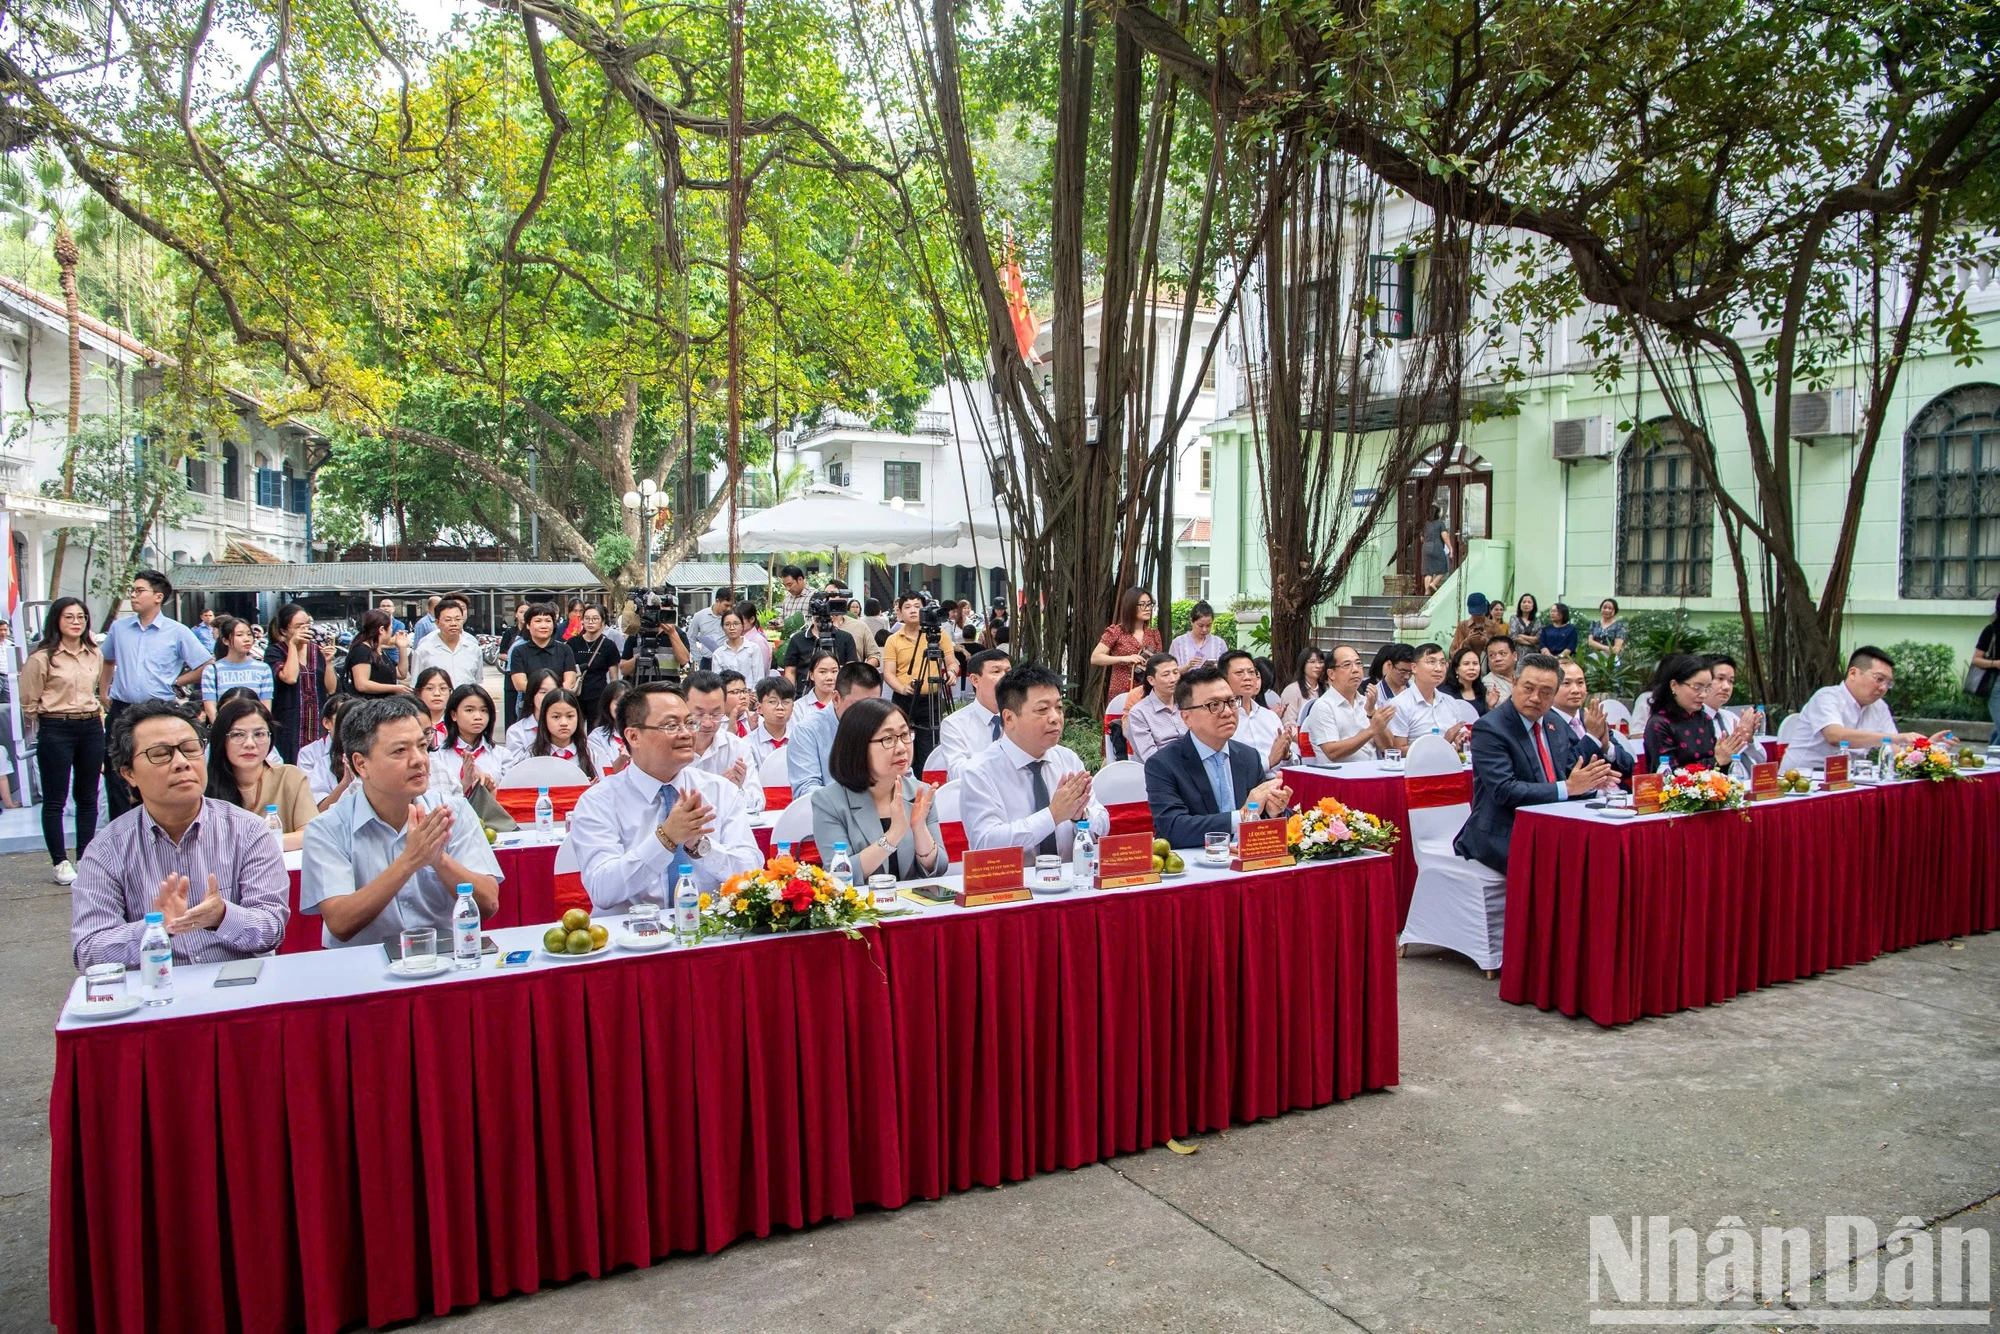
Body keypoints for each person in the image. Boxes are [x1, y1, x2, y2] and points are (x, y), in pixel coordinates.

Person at [70, 700, 291, 967]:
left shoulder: (248, 831)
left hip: (237, 990)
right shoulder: (107, 850)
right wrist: (155, 929)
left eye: (190, 749)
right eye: (161, 753)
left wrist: (222, 916)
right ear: (129, 773)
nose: (181, 763)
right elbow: (89, 951)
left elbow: (272, 929)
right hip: (156, 996)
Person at [299, 696, 501, 949]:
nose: (419, 760)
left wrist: (438, 858)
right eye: (400, 751)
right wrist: (410, 860)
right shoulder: (327, 828)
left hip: (443, 962)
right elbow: (340, 924)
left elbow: (488, 904)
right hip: (363, 972)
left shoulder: (453, 811)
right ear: (361, 764)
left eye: (422, 746)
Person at [565, 682, 762, 908]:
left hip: (708, 930)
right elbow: (602, 890)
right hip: (631, 934)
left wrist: (700, 845)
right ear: (633, 736)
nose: (686, 733)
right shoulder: (598, 802)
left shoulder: (719, 791)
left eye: (689, 723)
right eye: (671, 725)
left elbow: (751, 872)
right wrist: (665, 839)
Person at [1453, 654, 1623, 875]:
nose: (1535, 698)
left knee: (1603, 851)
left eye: (1545, 692)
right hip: (1503, 832)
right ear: (1514, 682)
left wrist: (1592, 781)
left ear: (1554, 695)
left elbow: (1568, 774)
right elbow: (1505, 790)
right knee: (1568, 864)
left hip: (1550, 825)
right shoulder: (1490, 728)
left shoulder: (1555, 724)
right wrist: (1569, 788)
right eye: (1528, 688)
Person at [960, 664, 1108, 858]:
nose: (1055, 718)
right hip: (1012, 884)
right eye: (1042, 709)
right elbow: (986, 843)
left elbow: (1103, 824)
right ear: (1009, 718)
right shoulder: (979, 771)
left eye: (1059, 708)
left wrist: (1081, 816)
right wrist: (1053, 815)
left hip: (1071, 881)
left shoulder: (1067, 759)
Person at [1143, 664, 1295, 849]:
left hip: (1244, 862)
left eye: (1231, 702)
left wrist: (1273, 811)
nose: (1228, 712)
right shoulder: (1163, 764)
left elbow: (1261, 820)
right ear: (1186, 718)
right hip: (1194, 866)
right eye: (1214, 705)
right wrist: (1243, 815)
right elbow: (1173, 829)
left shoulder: (1248, 757)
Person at [99, 570, 211, 819]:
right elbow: (107, 660)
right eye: (132, 590)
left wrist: (177, 681)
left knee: (156, 765)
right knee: (116, 768)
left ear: (158, 596)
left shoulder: (176, 631)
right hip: (121, 707)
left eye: (140, 591)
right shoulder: (119, 628)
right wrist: (103, 692)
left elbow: (205, 664)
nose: (133, 595)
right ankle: (120, 826)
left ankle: (156, 818)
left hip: (158, 710)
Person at [810, 698, 948, 882]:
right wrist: (893, 835)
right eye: (888, 739)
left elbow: (938, 868)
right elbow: (839, 876)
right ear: (857, 746)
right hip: (861, 907)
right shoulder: (829, 802)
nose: (901, 748)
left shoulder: (920, 793)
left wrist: (920, 829)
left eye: (905, 735)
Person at [21, 597, 105, 884]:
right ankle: (59, 861)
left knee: (88, 796)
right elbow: (29, 702)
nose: (76, 622)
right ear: (57, 620)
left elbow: (97, 690)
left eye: (81, 617)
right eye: (69, 617)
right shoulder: (42, 658)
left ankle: (85, 856)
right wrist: (47, 721)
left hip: (91, 725)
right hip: (56, 727)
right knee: (55, 799)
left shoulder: (94, 654)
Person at [1787, 645, 1950, 769]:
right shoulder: (1827, 697)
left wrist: (1924, 748)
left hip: (1848, 779)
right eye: (1879, 679)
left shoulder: (1879, 707)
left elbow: (1894, 748)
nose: (1884, 688)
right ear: (1853, 673)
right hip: (1804, 778)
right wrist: (1895, 738)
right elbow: (1835, 736)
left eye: (1888, 683)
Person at [203, 698, 317, 852]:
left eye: (259, 734)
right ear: (221, 739)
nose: (250, 743)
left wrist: (253, 844)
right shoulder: (204, 783)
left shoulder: (290, 777)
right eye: (237, 735)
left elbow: (309, 835)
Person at [881, 592, 961, 770]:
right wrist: (902, 688)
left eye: (917, 607)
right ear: (900, 612)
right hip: (904, 701)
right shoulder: (893, 640)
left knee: (928, 751)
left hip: (930, 700)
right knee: (900, 747)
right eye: (907, 607)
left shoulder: (939, 635)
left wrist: (951, 672)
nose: (913, 611)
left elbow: (951, 661)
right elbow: (888, 673)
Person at [1641, 654, 1759, 772]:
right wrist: (1717, 759)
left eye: (1707, 688)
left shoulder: (1705, 719)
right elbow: (1668, 775)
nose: (1703, 695)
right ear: (1674, 685)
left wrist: (1729, 753)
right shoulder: (1660, 724)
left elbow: (1720, 769)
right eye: (1697, 687)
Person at [786, 661, 883, 800]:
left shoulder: (884, 725)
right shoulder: (807, 731)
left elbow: (903, 776)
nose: (867, 713)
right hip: (833, 815)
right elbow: (806, 791)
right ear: (836, 698)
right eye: (859, 706)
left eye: (874, 705)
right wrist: (858, 799)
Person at [1091, 588, 1163, 761]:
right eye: (1142, 604)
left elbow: (1160, 662)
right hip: (1121, 691)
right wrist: (1126, 658)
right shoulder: (1116, 631)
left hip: (1144, 692)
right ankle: (1107, 778)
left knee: (1144, 736)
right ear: (1131, 606)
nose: (1147, 608)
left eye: (1149, 604)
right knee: (1116, 738)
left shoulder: (1153, 634)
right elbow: (1096, 657)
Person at [265, 603, 337, 764]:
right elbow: (289, 677)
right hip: (289, 723)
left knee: (318, 766)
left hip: (317, 722)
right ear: (284, 630)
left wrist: (329, 662)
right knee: (290, 764)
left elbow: (330, 688)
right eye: (298, 626)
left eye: (307, 624)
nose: (305, 629)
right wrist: (292, 645)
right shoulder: (275, 651)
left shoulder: (316, 650)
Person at [683, 670, 763, 812]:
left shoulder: (737, 747)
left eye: (716, 714)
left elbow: (757, 803)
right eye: (699, 714)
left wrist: (736, 788)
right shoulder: (670, 747)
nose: (708, 723)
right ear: (683, 707)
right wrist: (719, 788)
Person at [1307, 645, 1400, 762]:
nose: (1355, 669)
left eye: (1358, 663)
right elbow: (1332, 752)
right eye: (1347, 665)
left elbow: (1387, 747)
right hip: (1338, 776)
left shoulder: (1367, 702)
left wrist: (1372, 713)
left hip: (1371, 773)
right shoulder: (1323, 706)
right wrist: (1371, 730)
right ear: (1331, 674)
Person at [1548, 658, 1637, 775]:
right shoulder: (1546, 723)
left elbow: (1628, 767)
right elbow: (1565, 770)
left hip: (1613, 790)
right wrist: (1592, 737)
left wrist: (1607, 747)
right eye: (1566, 683)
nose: (1576, 690)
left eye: (1580, 683)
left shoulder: (1592, 718)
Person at [936, 648, 1011, 773]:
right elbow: (958, 773)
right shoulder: (954, 724)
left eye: (1008, 672)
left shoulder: (1021, 718)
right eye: (996, 671)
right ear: (975, 680)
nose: (1005, 678)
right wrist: (999, 746)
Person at [1220, 648, 1294, 772]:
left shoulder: (1270, 717)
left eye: (1251, 672)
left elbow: (1288, 766)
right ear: (1224, 679)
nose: (1247, 678)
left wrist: (1286, 756)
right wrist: (1269, 761)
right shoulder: (1222, 719)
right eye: (1239, 673)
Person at [1391, 643, 1477, 747]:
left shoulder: (1450, 702)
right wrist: (1443, 742)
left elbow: (1459, 736)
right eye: (1432, 662)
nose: (1439, 669)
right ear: (1414, 667)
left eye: (1442, 663)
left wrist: (1461, 738)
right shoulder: (1400, 704)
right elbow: (1399, 750)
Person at [507, 602, 579, 723]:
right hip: (529, 708)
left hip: (560, 707)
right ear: (528, 625)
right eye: (538, 621)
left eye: (548, 621)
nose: (544, 625)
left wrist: (553, 697)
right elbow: (519, 683)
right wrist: (545, 695)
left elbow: (570, 681)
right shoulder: (519, 651)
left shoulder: (565, 650)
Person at [505, 687, 598, 779]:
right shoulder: (531, 756)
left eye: (570, 716)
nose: (564, 723)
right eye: (556, 717)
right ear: (544, 719)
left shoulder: (590, 754)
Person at [197, 615, 275, 721]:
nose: (246, 639)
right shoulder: (211, 670)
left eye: (249, 634)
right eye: (239, 635)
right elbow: (210, 708)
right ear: (225, 641)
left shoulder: (263, 669)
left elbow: (265, 707)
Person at [1700, 654, 1767, 765]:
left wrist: (1748, 740)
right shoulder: (1695, 720)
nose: (1726, 687)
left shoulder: (1731, 717)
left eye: (1731, 681)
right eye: (1720, 678)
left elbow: (1761, 760)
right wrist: (1737, 741)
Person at [1120, 653, 1187, 762]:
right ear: (1151, 680)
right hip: (1163, 771)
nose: (1173, 679)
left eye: (1176, 672)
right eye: (1166, 675)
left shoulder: (1187, 704)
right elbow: (1150, 757)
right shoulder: (1139, 713)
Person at [563, 603, 622, 728]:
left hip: (598, 696)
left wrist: (612, 697)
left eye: (595, 619)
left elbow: (613, 677)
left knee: (595, 731)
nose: (590, 622)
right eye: (587, 619)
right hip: (575, 694)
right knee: (574, 730)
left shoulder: (608, 645)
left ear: (602, 621)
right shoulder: (573, 643)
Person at [409, 594, 484, 688]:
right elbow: (416, 686)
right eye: (448, 620)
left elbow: (477, 682)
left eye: (457, 619)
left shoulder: (474, 649)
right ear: (437, 622)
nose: (453, 624)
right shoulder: (423, 650)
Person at [442, 683, 504, 793]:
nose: (478, 717)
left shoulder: (502, 755)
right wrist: (465, 784)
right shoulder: (439, 756)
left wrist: (491, 788)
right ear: (453, 715)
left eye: (484, 710)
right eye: (469, 710)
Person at [298, 695, 352, 808]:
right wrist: (345, 782)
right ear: (326, 722)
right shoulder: (310, 754)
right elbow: (313, 807)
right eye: (342, 720)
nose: (348, 727)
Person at [505, 670, 561, 756]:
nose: (549, 697)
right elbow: (515, 766)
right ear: (531, 695)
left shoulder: (567, 728)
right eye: (543, 692)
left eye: (553, 692)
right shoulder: (516, 732)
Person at [711, 605, 768, 683]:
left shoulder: (753, 648)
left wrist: (752, 693)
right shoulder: (718, 654)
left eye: (736, 623)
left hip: (750, 693)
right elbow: (717, 682)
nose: (732, 628)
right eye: (727, 624)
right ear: (723, 628)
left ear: (742, 626)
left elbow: (758, 677)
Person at [747, 675, 795, 761]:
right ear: (759, 708)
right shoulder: (748, 744)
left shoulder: (800, 740)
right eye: (773, 702)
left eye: (786, 702)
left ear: (793, 707)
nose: (780, 707)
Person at [1970, 594, 2000, 733]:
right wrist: (1995, 663)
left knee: (1998, 729)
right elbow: (1976, 659)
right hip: (1996, 684)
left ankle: (1993, 755)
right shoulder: (1992, 630)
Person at [588, 680, 632, 773]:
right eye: (618, 702)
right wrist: (622, 759)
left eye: (626, 702)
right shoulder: (597, 737)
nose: (622, 708)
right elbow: (602, 775)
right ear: (607, 704)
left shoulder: (642, 733)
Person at [1279, 647, 1327, 729]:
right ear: (1303, 664)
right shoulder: (1292, 690)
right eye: (1312, 662)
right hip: (1300, 739)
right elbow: (1289, 725)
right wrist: (1304, 740)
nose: (1318, 666)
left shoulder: (1326, 689)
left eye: (1321, 662)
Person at [1169, 600, 1227, 667]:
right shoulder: (1178, 643)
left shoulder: (1219, 643)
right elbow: (1171, 671)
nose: (1204, 630)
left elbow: (1226, 670)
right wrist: (1187, 666)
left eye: (1208, 625)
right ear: (1191, 621)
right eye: (1200, 625)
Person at [1444, 645, 1493, 717]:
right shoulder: (1445, 693)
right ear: (1456, 669)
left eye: (1475, 663)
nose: (1471, 668)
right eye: (1466, 664)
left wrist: (1489, 706)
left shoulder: (1482, 691)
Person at [1366, 642, 1417, 708]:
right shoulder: (1375, 696)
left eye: (1410, 672)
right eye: (1402, 671)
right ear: (1389, 665)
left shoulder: (1416, 689)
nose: (1407, 677)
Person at [413, 667, 454, 749]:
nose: (437, 693)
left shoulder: (457, 722)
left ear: (450, 692)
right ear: (418, 693)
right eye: (429, 688)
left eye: (443, 688)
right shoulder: (412, 722)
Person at [686, 588, 732, 658]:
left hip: (726, 659)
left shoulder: (732, 617)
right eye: (726, 605)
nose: (728, 609)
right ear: (717, 601)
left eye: (730, 606)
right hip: (707, 660)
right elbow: (690, 638)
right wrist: (697, 657)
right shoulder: (699, 616)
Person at [1423, 501, 1454, 594]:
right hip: (1437, 547)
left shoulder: (1425, 525)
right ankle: (1433, 584)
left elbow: (1421, 538)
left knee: (1428, 572)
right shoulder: (1440, 524)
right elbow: (1445, 537)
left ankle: (1427, 592)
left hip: (1426, 547)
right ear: (1438, 513)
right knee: (1443, 569)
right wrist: (1451, 549)